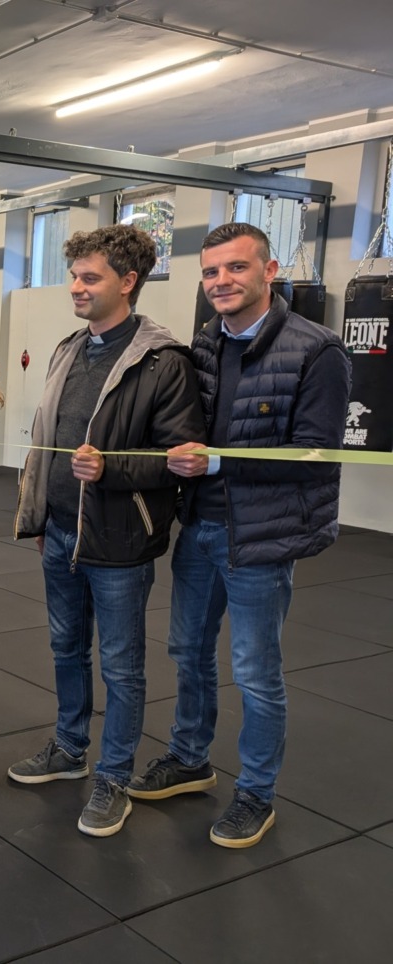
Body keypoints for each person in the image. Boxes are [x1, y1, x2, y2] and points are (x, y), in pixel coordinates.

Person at [131, 222, 351, 848]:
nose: (222, 281)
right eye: (210, 272)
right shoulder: (203, 345)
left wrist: (219, 461)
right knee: (187, 654)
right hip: (197, 527)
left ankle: (256, 794)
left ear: (269, 270)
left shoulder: (318, 350)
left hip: (261, 538)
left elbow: (317, 455)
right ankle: (190, 758)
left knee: (255, 671)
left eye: (236, 268)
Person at [10, 224, 204, 837]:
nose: (76, 287)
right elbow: (47, 440)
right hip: (62, 533)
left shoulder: (164, 362)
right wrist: (39, 512)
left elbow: (179, 457)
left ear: (128, 282)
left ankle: (113, 775)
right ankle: (70, 751)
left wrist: (111, 468)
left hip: (119, 540)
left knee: (121, 667)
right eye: (74, 276)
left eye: (89, 278)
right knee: (66, 650)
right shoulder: (70, 347)